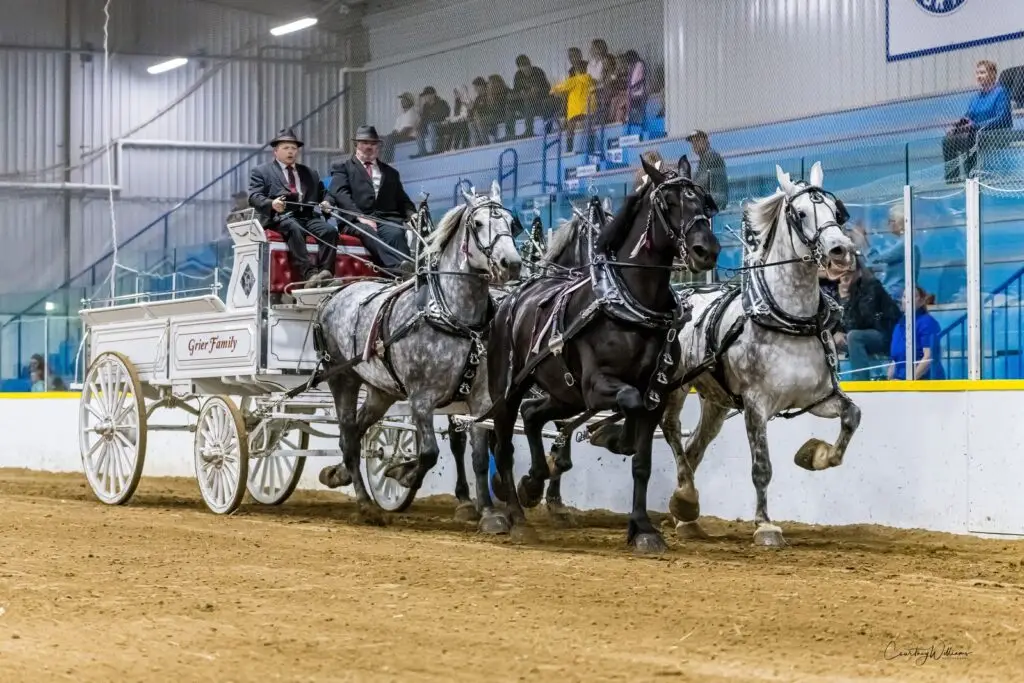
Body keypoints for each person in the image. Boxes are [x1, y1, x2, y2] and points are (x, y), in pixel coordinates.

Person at [248, 127, 338, 287]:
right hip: (281, 217)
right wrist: (272, 204)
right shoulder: (262, 172)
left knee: (330, 231)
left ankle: (326, 273)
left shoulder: (310, 173)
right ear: (275, 151)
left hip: (307, 216)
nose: (291, 152)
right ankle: (309, 274)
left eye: (294, 148)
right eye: (286, 148)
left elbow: (325, 194)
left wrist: (327, 203)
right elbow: (254, 196)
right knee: (294, 228)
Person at [327, 125, 415, 277]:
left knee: (395, 233)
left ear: (378, 147)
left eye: (373, 143)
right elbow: (340, 194)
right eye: (364, 143)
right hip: (355, 221)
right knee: (367, 230)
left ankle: (410, 272)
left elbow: (402, 200)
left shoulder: (390, 173)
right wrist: (360, 216)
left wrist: (412, 214)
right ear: (356, 145)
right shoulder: (343, 168)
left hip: (385, 220)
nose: (369, 147)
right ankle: (399, 269)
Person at [942, 60, 1013, 183]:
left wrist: (976, 126)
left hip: (996, 132)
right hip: (976, 131)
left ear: (992, 74)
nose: (979, 76)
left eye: (982, 72)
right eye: (977, 73)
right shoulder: (976, 97)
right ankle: (953, 179)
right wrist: (956, 127)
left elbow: (1002, 118)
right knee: (948, 140)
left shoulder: (1001, 92)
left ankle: (972, 178)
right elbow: (968, 116)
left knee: (968, 138)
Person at [833, 257, 901, 381]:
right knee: (828, 338)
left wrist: (845, 299)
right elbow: (840, 321)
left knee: (854, 336)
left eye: (849, 273)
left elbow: (863, 321)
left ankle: (860, 381)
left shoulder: (871, 287)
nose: (844, 277)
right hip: (864, 335)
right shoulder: (847, 288)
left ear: (859, 272)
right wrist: (837, 332)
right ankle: (832, 381)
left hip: (885, 334)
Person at [888, 286, 945, 381]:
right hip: (900, 381)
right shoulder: (899, 325)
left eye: (912, 297)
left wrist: (908, 382)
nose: (907, 300)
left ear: (922, 301)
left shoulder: (927, 322)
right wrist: (889, 380)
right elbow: (895, 360)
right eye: (904, 296)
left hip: (924, 382)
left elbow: (928, 357)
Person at [685, 130, 729, 210]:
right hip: (712, 198)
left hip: (716, 199)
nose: (694, 145)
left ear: (706, 141)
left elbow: (702, 181)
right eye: (692, 143)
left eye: (697, 140)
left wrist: (689, 186)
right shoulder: (704, 158)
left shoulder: (711, 156)